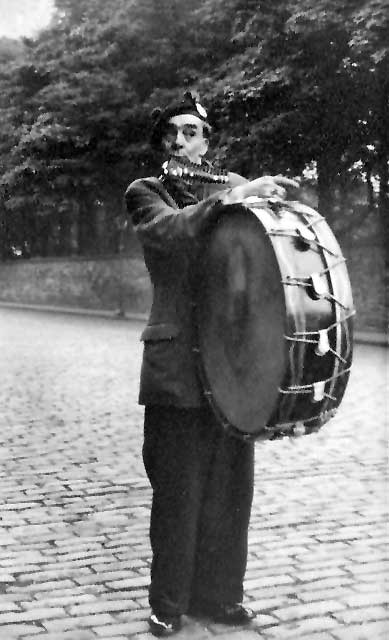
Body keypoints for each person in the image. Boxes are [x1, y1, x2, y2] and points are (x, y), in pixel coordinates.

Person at [125, 92, 297, 637]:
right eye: (171, 132)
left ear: (207, 139)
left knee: (230, 488)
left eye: (192, 131)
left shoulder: (233, 188)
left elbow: (265, 258)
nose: (181, 140)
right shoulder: (146, 192)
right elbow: (170, 234)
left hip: (231, 361)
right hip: (175, 362)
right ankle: (168, 604)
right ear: (163, 143)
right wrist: (235, 197)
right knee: (178, 489)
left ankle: (221, 595)